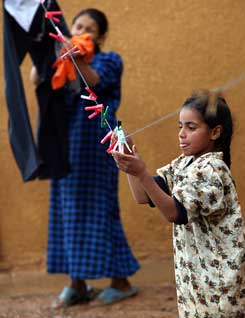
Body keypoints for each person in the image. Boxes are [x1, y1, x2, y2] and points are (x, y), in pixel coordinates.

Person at [112, 90, 245, 317]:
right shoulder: (184, 163)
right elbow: (143, 196)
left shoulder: (212, 170)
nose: (182, 134)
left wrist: (141, 172)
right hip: (197, 281)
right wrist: (129, 161)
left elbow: (175, 213)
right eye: (180, 126)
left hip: (220, 283)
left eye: (191, 128)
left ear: (215, 132)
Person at [32, 8, 140, 308]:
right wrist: (44, 49)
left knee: (99, 209)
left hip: (96, 145)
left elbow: (93, 82)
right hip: (65, 147)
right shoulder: (60, 59)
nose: (80, 30)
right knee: (65, 212)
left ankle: (121, 282)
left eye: (88, 28)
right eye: (77, 25)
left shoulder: (109, 60)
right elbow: (35, 79)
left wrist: (75, 55)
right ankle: (77, 284)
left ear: (100, 36)